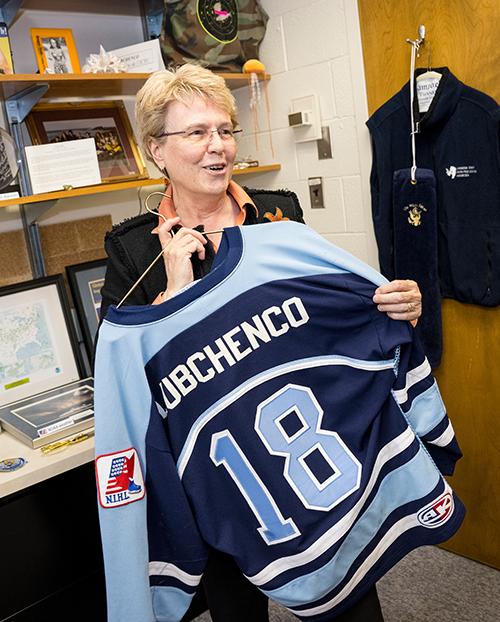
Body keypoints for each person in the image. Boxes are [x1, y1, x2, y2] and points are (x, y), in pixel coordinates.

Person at [99, 63, 422, 622]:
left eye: (225, 130)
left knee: (348, 594)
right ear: (157, 150)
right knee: (236, 608)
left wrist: (390, 304)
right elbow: (122, 366)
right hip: (221, 468)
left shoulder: (280, 213)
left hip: (304, 439)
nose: (217, 147)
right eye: (197, 133)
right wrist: (173, 294)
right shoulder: (132, 249)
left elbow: (323, 310)